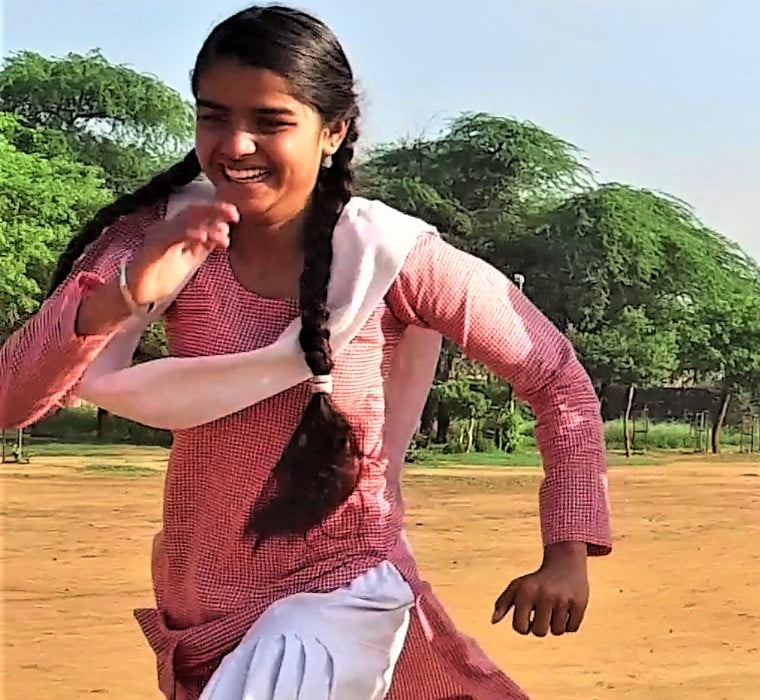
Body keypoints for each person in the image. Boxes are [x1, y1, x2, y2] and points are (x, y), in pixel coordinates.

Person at [0, 6, 611, 697]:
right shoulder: (161, 237)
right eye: (214, 117)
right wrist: (122, 292)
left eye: (270, 121)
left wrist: (567, 550)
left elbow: (557, 377)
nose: (236, 144)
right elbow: (13, 400)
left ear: (335, 130)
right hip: (202, 602)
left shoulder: (388, 257)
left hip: (337, 596)